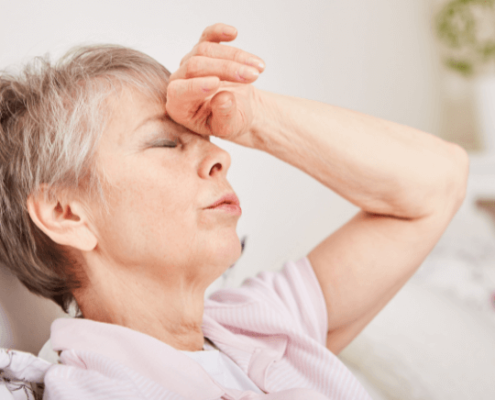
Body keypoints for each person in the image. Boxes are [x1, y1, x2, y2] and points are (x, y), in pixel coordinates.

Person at [0, 23, 468, 399]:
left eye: (207, 139)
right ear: (66, 213)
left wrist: (254, 117)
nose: (221, 157)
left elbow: (438, 182)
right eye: (166, 142)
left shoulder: (256, 320)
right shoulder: (95, 390)